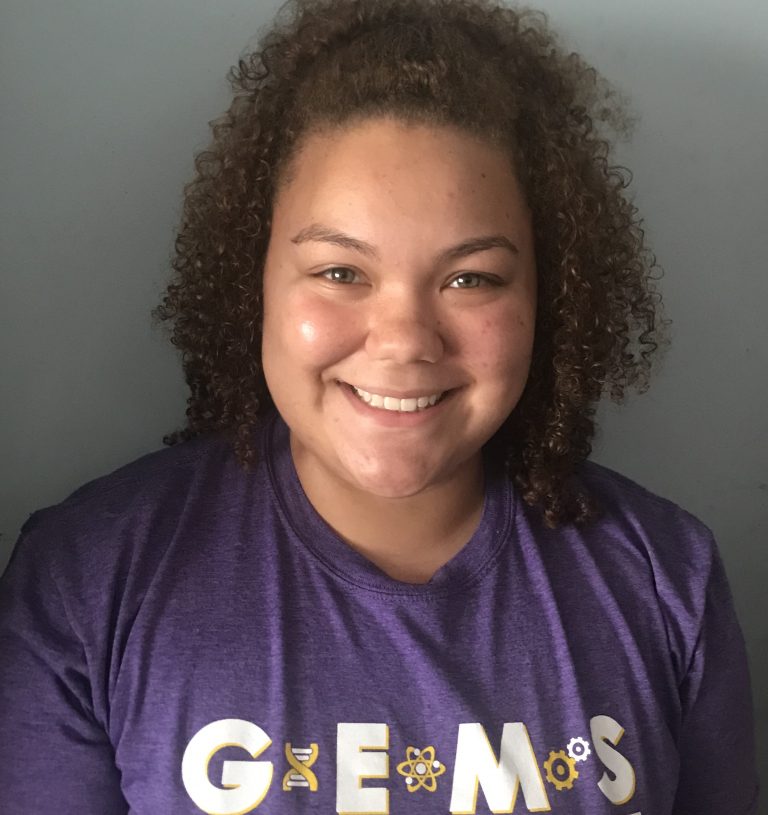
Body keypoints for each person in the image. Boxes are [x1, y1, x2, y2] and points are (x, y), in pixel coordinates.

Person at [0, 0, 759, 812]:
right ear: (251, 278)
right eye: (340, 271)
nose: (404, 340)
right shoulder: (88, 581)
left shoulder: (665, 579)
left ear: (551, 298)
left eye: (472, 278)